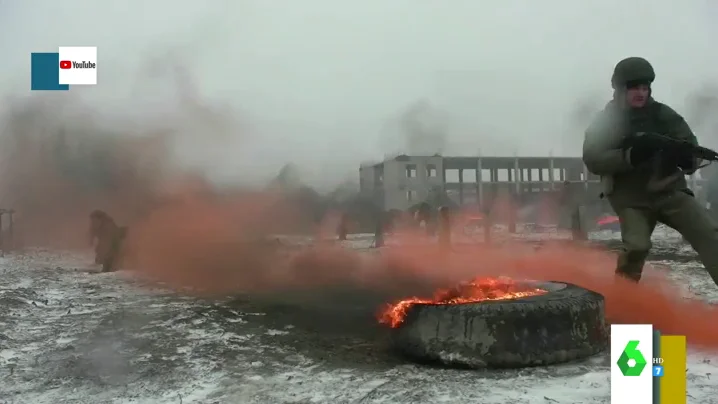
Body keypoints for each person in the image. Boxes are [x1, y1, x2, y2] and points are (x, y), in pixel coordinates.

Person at [582, 56, 718, 285]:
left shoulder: (665, 116)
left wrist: (686, 159)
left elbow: (690, 149)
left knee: (709, 235)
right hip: (630, 198)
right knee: (636, 248)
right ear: (620, 88)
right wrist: (630, 156)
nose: (641, 92)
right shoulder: (606, 121)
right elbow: (593, 159)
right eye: (634, 87)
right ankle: (626, 312)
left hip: (669, 191)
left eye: (645, 87)